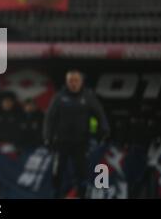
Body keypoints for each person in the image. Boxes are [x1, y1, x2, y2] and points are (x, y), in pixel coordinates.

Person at [43, 70, 111, 198]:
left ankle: (81, 194)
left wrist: (104, 131)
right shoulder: (59, 97)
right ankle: (56, 193)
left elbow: (100, 114)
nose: (73, 84)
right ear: (67, 82)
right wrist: (47, 137)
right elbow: (49, 118)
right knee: (57, 170)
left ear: (81, 82)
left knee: (81, 171)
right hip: (61, 141)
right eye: (70, 81)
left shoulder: (88, 96)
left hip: (81, 142)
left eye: (76, 81)